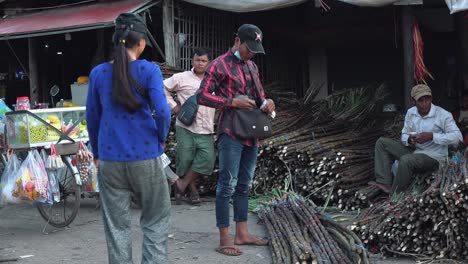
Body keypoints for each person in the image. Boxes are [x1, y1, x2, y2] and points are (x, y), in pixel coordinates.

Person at [86, 13, 171, 264]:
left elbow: (92, 116)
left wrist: (97, 155)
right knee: (156, 219)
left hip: (110, 160)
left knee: (117, 227)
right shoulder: (149, 70)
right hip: (146, 156)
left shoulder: (98, 73)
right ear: (141, 43)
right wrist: (161, 138)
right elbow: (163, 111)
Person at [197, 24, 275, 256]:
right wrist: (231, 102)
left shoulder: (252, 66)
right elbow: (202, 95)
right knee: (226, 185)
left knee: (244, 185)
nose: (251, 54)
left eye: (255, 51)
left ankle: (242, 233)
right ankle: (225, 238)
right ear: (237, 41)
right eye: (249, 49)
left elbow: (259, 96)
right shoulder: (219, 65)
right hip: (230, 132)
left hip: (251, 134)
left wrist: (267, 103)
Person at [370, 84, 462, 194]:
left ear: (431, 98)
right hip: (415, 150)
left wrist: (432, 136)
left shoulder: (443, 115)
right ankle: (384, 181)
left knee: (406, 160)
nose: (425, 104)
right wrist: (409, 139)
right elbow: (404, 135)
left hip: (434, 156)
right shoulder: (411, 113)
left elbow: (457, 138)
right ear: (413, 101)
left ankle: (394, 195)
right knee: (381, 142)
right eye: (420, 100)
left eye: (427, 99)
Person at [164, 48, 215, 205]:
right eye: (197, 60)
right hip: (185, 126)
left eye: (203, 61)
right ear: (192, 61)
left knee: (207, 160)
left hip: (206, 127)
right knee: (185, 159)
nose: (200, 63)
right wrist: (173, 106)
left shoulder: (214, 80)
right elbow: (161, 88)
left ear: (209, 63)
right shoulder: (181, 77)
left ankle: (182, 184)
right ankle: (192, 191)